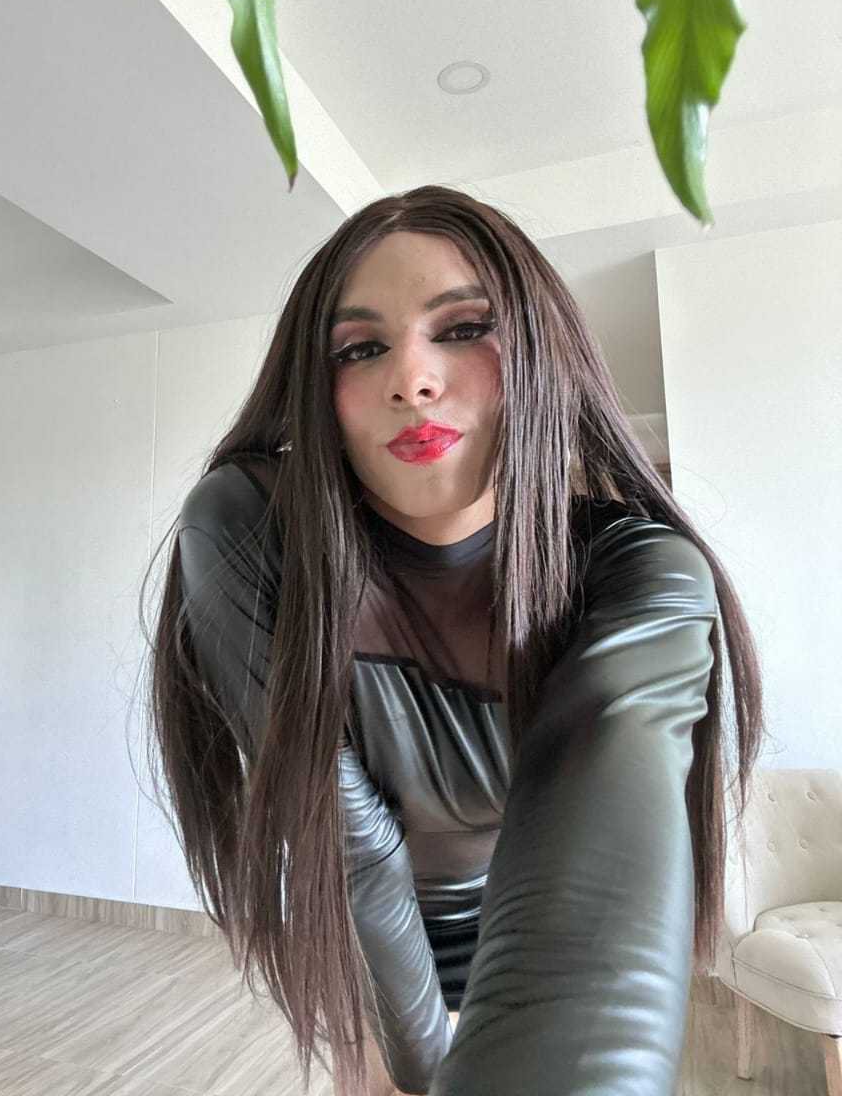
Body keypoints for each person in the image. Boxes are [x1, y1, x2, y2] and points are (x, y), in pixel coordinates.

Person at [142, 185, 766, 1096]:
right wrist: (418, 1059)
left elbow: (590, 903)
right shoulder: (251, 529)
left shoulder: (643, 576)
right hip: (355, 930)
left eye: (464, 329)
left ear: (541, 354)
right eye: (360, 349)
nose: (411, 379)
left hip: (532, 915)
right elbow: (352, 843)